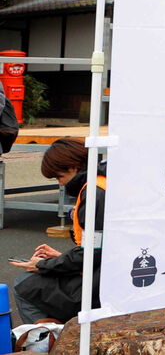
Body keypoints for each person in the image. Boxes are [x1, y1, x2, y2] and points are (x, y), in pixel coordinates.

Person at [9, 138, 104, 323]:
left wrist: (43, 265)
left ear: (73, 167)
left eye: (59, 177)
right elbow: (97, 249)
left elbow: (92, 253)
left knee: (24, 285)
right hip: (107, 274)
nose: (60, 184)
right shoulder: (104, 182)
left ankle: (45, 342)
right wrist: (60, 258)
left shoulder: (93, 194)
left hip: (98, 286)